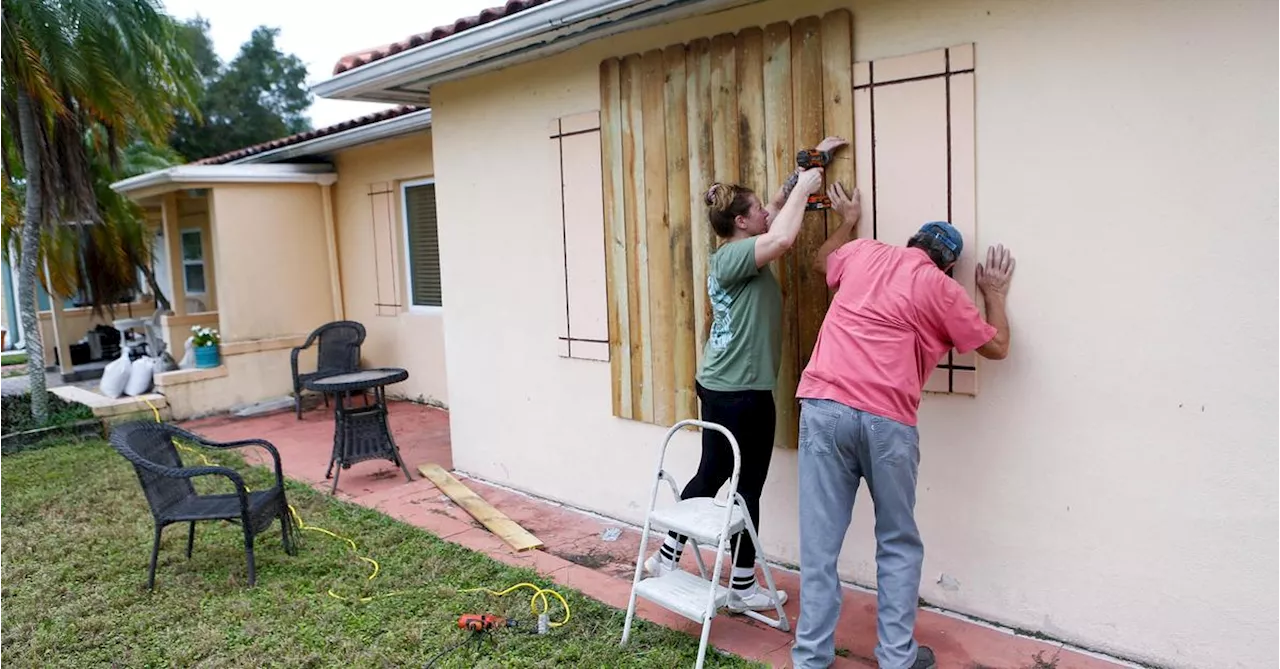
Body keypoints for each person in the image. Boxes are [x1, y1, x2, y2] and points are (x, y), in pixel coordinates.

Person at [789, 183, 1016, 669]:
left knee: (820, 542)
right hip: (886, 421)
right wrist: (994, 294)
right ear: (948, 264)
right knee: (896, 541)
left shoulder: (864, 252)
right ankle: (896, 658)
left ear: (911, 242)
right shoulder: (942, 289)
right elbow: (996, 347)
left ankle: (810, 658)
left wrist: (849, 221)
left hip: (824, 406)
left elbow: (818, 262)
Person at [643, 137, 847, 612]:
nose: (766, 211)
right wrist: (809, 188)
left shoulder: (737, 247)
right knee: (747, 484)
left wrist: (809, 165)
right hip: (742, 393)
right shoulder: (735, 255)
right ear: (741, 222)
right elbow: (781, 236)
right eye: (756, 209)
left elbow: (776, 211)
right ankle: (741, 586)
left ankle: (667, 557)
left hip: (722, 384)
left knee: (711, 472)